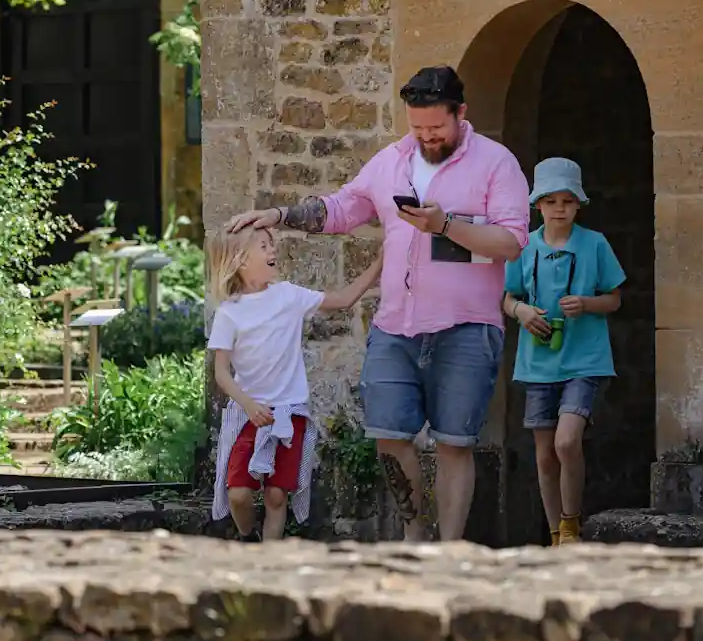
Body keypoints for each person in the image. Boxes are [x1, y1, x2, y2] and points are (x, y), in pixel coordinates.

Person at [226, 65, 530, 541]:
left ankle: (447, 553)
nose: (427, 137)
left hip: (466, 327)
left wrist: (446, 226)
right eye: (418, 128)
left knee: (454, 444)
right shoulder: (391, 160)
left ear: (461, 113)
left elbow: (511, 243)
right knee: (388, 436)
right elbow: (343, 208)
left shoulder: (496, 163)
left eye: (437, 127)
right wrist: (279, 215)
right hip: (395, 326)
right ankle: (413, 534)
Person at [206, 225, 382, 542]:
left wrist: (380, 262)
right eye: (263, 246)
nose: (273, 251)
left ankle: (270, 564)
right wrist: (248, 403)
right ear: (240, 260)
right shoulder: (229, 313)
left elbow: (343, 299)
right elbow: (221, 372)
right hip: (249, 414)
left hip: (290, 412)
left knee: (276, 496)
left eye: (271, 245)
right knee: (239, 494)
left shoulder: (289, 296)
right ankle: (248, 538)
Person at [501, 158, 624, 547]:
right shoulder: (524, 246)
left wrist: (587, 304)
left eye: (568, 201)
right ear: (538, 205)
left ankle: (571, 523)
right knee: (543, 455)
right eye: (551, 201)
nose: (559, 208)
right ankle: (557, 535)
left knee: (566, 442)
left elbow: (615, 299)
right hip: (538, 361)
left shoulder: (595, 244)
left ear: (578, 205)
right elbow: (507, 297)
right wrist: (521, 311)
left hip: (584, 359)